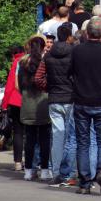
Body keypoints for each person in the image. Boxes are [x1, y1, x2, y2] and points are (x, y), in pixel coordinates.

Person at [69, 16, 101, 195]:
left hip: (81, 101)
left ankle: (84, 182)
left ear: (87, 33)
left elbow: (69, 73)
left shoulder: (77, 51)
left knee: (83, 142)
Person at [34, 24, 75, 187]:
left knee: (57, 137)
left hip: (54, 98)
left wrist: (48, 87)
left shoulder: (48, 56)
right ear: (70, 36)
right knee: (71, 138)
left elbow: (38, 78)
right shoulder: (74, 54)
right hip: (71, 98)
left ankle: (57, 172)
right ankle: (69, 173)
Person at [17, 35, 51, 181]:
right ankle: (44, 170)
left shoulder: (22, 63)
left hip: (27, 103)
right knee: (44, 139)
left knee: (29, 140)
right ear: (44, 47)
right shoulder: (46, 62)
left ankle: (28, 171)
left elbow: (19, 85)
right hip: (43, 103)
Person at [1, 45, 25, 171]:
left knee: (18, 132)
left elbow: (10, 85)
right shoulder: (31, 59)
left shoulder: (16, 62)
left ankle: (18, 162)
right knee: (33, 134)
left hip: (16, 101)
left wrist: (4, 104)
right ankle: (34, 163)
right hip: (30, 101)